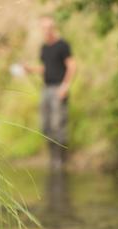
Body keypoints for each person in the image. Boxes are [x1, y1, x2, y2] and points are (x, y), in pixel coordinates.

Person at [25, 16, 76, 169]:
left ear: (53, 28)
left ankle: (61, 160)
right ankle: (53, 158)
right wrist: (31, 69)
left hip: (59, 88)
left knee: (58, 124)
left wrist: (65, 86)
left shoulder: (62, 45)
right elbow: (46, 68)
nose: (46, 31)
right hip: (46, 90)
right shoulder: (44, 48)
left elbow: (72, 66)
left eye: (49, 27)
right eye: (43, 28)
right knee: (45, 125)